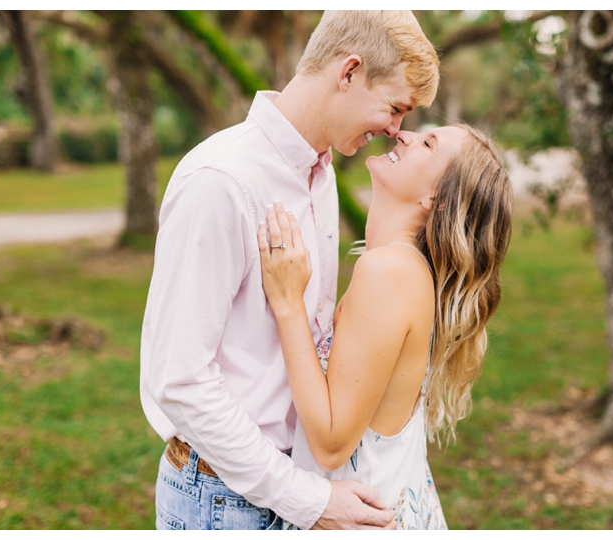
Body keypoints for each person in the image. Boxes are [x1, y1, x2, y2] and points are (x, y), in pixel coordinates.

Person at [139, 11, 439, 530]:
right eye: (395, 109)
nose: (395, 131)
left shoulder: (318, 175)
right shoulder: (222, 182)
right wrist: (307, 499)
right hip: (223, 500)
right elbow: (179, 379)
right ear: (348, 72)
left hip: (292, 488)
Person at [257, 124, 513, 529]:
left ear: (437, 200)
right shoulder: (404, 269)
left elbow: (331, 443)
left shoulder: (388, 273)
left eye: (428, 144)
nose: (406, 135)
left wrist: (288, 303)